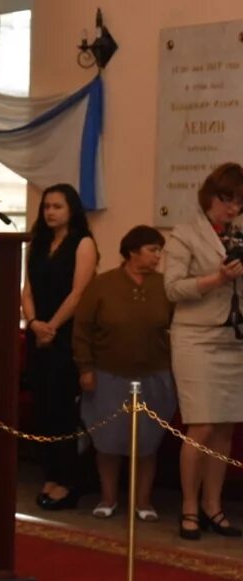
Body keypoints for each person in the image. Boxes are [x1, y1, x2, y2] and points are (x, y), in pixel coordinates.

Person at [164, 162, 243, 540]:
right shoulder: (184, 235)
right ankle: (189, 508)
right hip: (195, 338)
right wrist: (218, 278)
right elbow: (173, 289)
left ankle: (215, 506)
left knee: (225, 426)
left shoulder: (240, 234)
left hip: (234, 339)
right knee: (202, 424)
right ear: (212, 196)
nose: (234, 210)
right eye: (229, 201)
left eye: (240, 203)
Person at [73, 226, 175, 520]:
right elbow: (82, 330)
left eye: (159, 250)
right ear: (133, 252)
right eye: (152, 250)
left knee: (147, 442)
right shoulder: (102, 285)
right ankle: (108, 498)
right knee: (108, 441)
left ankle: (143, 502)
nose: (158, 256)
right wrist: (86, 368)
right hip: (108, 374)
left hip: (155, 375)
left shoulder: (164, 286)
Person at [21, 183, 97, 510]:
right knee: (43, 411)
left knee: (64, 412)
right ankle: (50, 475)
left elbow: (79, 293)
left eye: (57, 207)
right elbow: (27, 289)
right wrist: (35, 322)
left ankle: (68, 482)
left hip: (66, 336)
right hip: (38, 335)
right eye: (47, 206)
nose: (50, 212)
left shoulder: (83, 243)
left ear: (71, 210)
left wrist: (51, 326)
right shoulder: (36, 243)